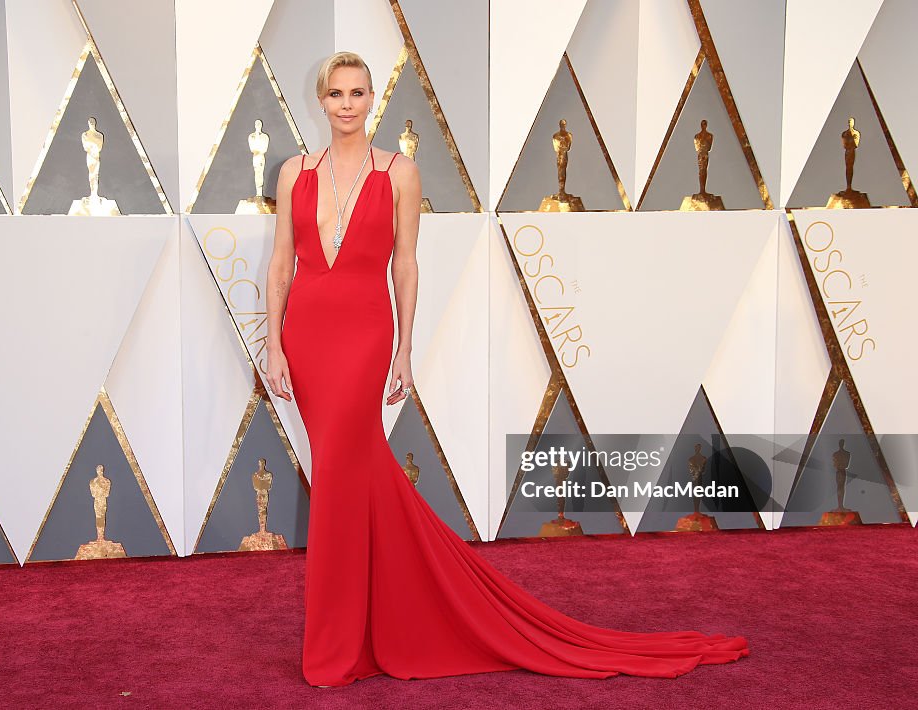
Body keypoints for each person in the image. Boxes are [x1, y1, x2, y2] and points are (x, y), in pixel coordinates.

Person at [264, 50, 749, 689]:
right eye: (337, 94)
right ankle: (375, 624)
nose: (347, 104)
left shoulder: (399, 172)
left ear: (370, 100)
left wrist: (405, 347)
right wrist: (273, 343)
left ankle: (335, 647)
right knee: (349, 476)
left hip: (363, 334)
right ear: (321, 100)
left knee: (340, 473)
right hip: (307, 333)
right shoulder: (294, 172)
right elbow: (280, 264)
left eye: (358, 93)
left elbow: (405, 266)